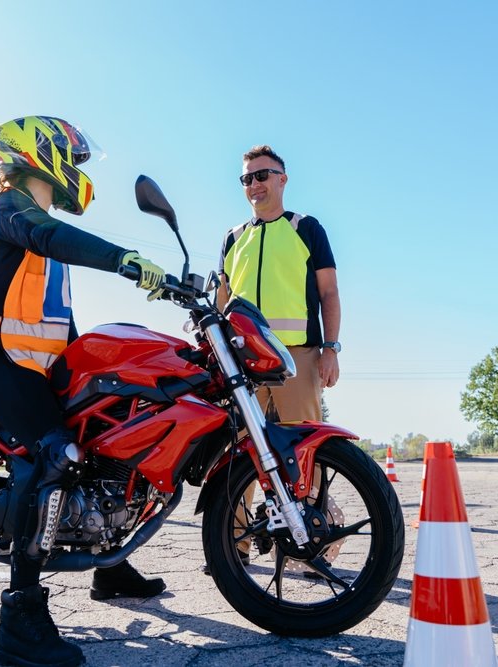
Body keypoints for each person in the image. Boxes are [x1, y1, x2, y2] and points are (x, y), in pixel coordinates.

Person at [0, 116, 167, 667]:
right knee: (59, 454)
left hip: (30, 366)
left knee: (104, 430)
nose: (79, 171)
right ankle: (19, 622)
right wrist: (124, 259)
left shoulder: (38, 227)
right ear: (43, 155)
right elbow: (48, 235)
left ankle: (109, 567)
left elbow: (53, 325)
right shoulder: (13, 208)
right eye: (75, 159)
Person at [214, 144, 341, 569]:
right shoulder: (233, 238)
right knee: (236, 456)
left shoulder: (307, 228)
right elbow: (221, 302)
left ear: (283, 180)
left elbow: (329, 293)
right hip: (242, 365)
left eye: (262, 175)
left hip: (296, 360)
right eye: (247, 178)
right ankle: (234, 548)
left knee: (305, 452)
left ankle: (311, 548)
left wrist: (331, 349)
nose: (254, 185)